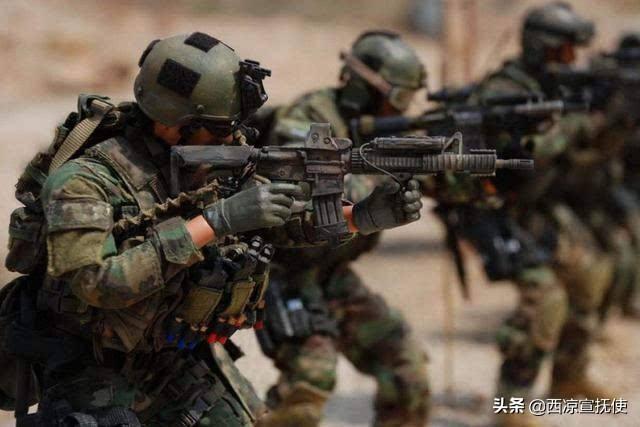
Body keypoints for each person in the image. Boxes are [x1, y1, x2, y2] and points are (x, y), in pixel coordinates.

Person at [1, 31, 425, 426]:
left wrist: (361, 217)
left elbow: (279, 220)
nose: (233, 137)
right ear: (174, 121)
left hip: (172, 358)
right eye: (221, 127)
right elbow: (98, 283)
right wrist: (215, 222)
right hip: (90, 363)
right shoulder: (84, 181)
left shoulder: (210, 157)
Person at [431, 3, 615, 426]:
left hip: (530, 206)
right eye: (564, 51)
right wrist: (577, 123)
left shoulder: (551, 85)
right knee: (544, 297)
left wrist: (609, 119)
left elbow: (581, 157)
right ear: (541, 48)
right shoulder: (504, 92)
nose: (572, 60)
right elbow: (532, 153)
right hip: (487, 209)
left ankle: (568, 377)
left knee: (591, 273)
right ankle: (511, 405)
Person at [254, 31, 430, 427]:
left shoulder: (387, 130)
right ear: (363, 88)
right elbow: (310, 196)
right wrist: (387, 176)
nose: (399, 109)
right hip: (284, 272)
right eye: (396, 97)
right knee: (307, 388)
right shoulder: (305, 120)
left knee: (407, 371)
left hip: (331, 274)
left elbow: (448, 185)